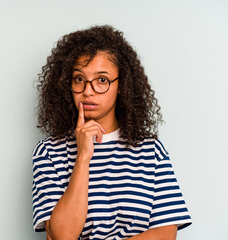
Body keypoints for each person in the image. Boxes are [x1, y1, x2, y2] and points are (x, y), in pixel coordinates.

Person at [31, 25, 192, 240]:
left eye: (102, 80)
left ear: (121, 85)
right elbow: (62, 235)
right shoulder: (48, 153)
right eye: (79, 79)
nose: (87, 91)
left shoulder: (150, 150)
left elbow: (165, 234)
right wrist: (83, 157)